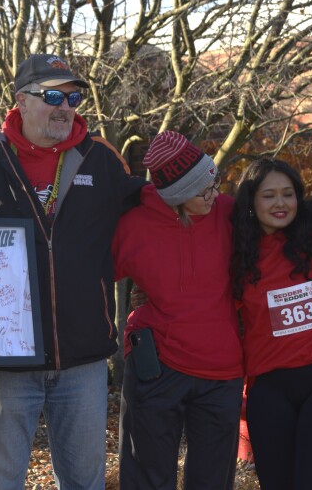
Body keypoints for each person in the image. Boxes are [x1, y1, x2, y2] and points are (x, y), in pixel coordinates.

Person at [0, 53, 146, 489]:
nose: (65, 106)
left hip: (84, 358)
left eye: (74, 97)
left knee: (84, 481)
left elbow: (149, 218)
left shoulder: (103, 160)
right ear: (20, 99)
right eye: (52, 95)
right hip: (6, 361)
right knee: (1, 482)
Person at [112, 130, 244, 490]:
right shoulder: (133, 227)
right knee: (147, 480)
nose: (213, 196)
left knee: (212, 480)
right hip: (157, 366)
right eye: (202, 191)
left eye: (214, 184)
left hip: (222, 371)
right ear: (176, 197)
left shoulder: (229, 214)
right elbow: (86, 274)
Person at [230, 158, 312, 490]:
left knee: (310, 483)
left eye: (288, 194)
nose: (280, 203)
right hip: (268, 387)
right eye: (269, 196)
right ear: (251, 201)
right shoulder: (236, 250)